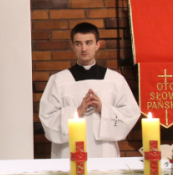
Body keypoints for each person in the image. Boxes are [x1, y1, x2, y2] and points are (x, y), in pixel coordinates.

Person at [39, 22, 140, 158]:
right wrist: (77, 112)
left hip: (104, 153)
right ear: (72, 46)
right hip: (69, 152)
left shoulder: (115, 80)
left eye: (88, 43)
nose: (84, 49)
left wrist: (103, 109)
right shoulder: (59, 81)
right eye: (78, 43)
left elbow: (131, 113)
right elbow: (47, 118)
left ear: (97, 45)